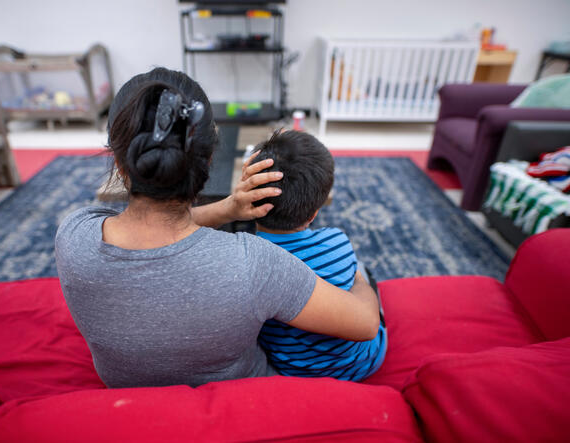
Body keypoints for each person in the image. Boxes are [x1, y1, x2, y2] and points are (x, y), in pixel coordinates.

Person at [55, 67, 380, 388]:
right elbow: (365, 324)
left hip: (122, 394)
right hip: (241, 400)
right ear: (209, 162)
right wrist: (359, 276)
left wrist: (228, 209)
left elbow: (147, 229)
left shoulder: (74, 236)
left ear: (120, 166)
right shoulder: (254, 263)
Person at [251, 130, 387, 381]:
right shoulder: (336, 241)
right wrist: (359, 281)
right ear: (314, 213)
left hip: (292, 369)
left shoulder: (246, 259)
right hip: (361, 364)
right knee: (362, 271)